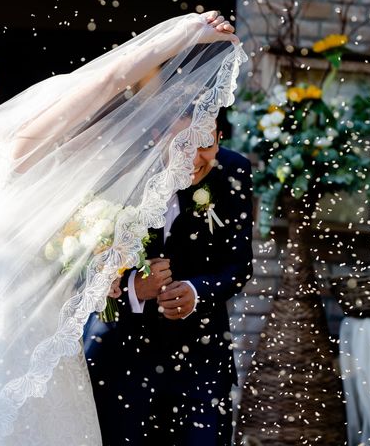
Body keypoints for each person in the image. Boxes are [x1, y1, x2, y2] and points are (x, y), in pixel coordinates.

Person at [0, 12, 247, 445]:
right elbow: (111, 77)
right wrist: (182, 35)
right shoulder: (27, 152)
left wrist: (108, 276)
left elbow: (79, 261)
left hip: (46, 328)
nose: (114, 132)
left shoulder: (92, 178)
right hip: (4, 316)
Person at [84, 110, 253, 445]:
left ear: (219, 136)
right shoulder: (119, 172)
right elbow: (76, 266)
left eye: (205, 143)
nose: (194, 158)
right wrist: (132, 287)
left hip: (202, 362)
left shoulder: (234, 170)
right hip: (124, 358)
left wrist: (196, 291)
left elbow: (239, 264)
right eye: (181, 144)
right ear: (158, 136)